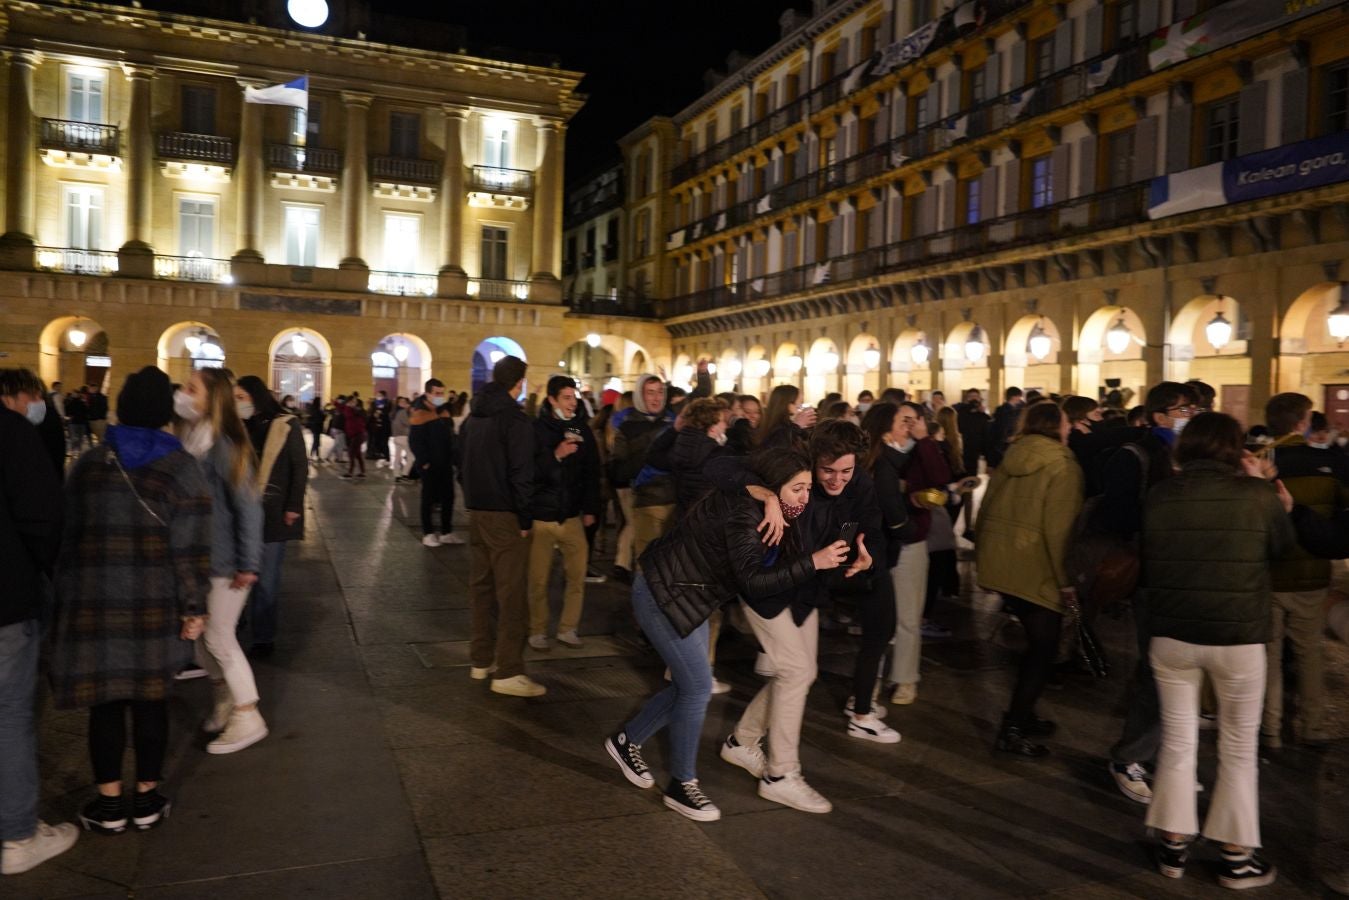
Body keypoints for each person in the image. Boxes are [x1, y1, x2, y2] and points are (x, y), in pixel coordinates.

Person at [603, 448, 850, 822]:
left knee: (687, 685)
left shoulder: (773, 508)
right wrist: (812, 561)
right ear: (774, 486)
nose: (806, 496)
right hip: (663, 593)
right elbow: (753, 581)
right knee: (698, 687)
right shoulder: (744, 513)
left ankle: (626, 741)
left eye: (807, 488)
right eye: (798, 488)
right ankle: (682, 785)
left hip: (694, 596)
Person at [49, 367, 211, 838]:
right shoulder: (183, 469)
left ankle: (108, 803)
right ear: (165, 413)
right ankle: (146, 798)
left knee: (104, 705)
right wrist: (194, 607)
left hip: (92, 602)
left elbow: (67, 536)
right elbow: (192, 549)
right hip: (154, 604)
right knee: (151, 701)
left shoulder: (90, 464)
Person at [1140, 412, 1293, 888]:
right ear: (1235, 450)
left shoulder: (1160, 495)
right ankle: (1235, 856)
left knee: (1179, 740)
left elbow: (1147, 554)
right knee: (1238, 748)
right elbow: (1283, 554)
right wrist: (1274, 500)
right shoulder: (1257, 496)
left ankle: (1173, 845)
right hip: (1239, 637)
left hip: (1172, 635)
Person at [1102, 382, 1198, 803]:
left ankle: (1164, 755)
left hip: (1188, 574)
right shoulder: (1137, 455)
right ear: (1158, 415)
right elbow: (1118, 518)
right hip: (1153, 574)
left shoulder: (1191, 456)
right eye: (1182, 409)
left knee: (1177, 671)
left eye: (1194, 409)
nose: (1189, 415)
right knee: (1160, 670)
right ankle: (1131, 757)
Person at [0, 369, 78, 874]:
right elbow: (44, 517)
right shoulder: (11, 433)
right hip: (6, 598)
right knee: (9, 716)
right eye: (32, 397)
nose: (37, 405)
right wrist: (46, 575)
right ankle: (18, 836)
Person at [975, 400, 1083, 756]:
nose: (1070, 428)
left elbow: (987, 507)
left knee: (1037, 646)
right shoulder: (1064, 466)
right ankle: (1014, 727)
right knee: (1043, 650)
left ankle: (1024, 713)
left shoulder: (1012, 455)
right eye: (1067, 422)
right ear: (1057, 426)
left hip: (1004, 561)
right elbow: (1059, 530)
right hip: (1036, 568)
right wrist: (1066, 581)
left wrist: (984, 556)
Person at [174, 368, 267, 754]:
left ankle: (248, 714)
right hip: (199, 558)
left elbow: (248, 505)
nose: (182, 393)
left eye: (190, 388)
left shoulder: (226, 444)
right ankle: (225, 699)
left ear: (211, 399)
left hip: (224, 559)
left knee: (219, 638)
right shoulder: (193, 439)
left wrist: (249, 561)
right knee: (200, 643)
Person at [1260, 392, 1348, 749]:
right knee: (1309, 649)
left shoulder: (1259, 461)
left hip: (1266, 572)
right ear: (1303, 420)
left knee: (1269, 651)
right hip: (1311, 569)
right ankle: (1313, 724)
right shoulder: (1330, 462)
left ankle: (1270, 726)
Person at [458, 356, 540, 697]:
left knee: (481, 589)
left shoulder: (473, 418)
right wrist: (523, 518)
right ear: (518, 383)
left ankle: (481, 660)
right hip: (505, 515)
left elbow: (459, 464)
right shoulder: (514, 421)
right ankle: (508, 670)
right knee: (511, 595)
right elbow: (522, 473)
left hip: (476, 511)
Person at [234, 375, 307, 659]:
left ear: (255, 397)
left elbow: (299, 467)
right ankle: (235, 624)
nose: (237, 403)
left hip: (273, 511)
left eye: (241, 397)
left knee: (267, 578)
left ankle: (264, 637)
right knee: (238, 572)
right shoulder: (238, 426)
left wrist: (293, 507)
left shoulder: (285, 425)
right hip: (242, 509)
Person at [527, 376, 601, 650]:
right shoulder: (536, 429)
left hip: (571, 515)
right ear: (552, 400)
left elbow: (592, 471)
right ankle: (537, 629)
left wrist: (591, 508)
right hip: (542, 515)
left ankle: (568, 628)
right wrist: (555, 455)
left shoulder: (580, 428)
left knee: (577, 575)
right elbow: (529, 472)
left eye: (574, 397)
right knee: (538, 579)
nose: (573, 403)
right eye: (566, 398)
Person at [608, 375, 674, 583]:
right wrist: (652, 449)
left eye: (660, 392)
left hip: (675, 501)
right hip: (646, 502)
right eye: (650, 392)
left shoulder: (672, 421)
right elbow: (619, 470)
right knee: (647, 567)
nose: (656, 398)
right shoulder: (627, 427)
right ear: (640, 396)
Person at [409, 379, 460, 546]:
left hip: (445, 462)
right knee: (428, 498)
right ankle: (428, 533)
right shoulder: (419, 412)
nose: (440, 396)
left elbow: (450, 435)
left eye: (442, 393)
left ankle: (446, 532)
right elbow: (415, 441)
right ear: (428, 393)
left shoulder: (443, 411)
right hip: (429, 464)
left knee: (448, 497)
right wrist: (424, 461)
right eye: (437, 393)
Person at [753, 384, 815, 450]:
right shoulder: (779, 428)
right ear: (788, 403)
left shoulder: (784, 425)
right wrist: (797, 426)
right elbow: (780, 449)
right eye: (799, 402)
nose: (800, 406)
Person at [985, 386, 1025, 469]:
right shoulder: (1004, 411)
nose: (1020, 399)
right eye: (1019, 397)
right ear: (1014, 397)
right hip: (1004, 446)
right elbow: (1000, 428)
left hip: (1008, 444)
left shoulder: (1009, 410)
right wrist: (1007, 437)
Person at [955, 388, 990, 475]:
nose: (974, 399)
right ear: (966, 399)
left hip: (977, 450)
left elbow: (986, 433)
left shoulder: (983, 415)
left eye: (976, 396)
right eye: (971, 396)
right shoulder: (960, 412)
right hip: (963, 449)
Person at [341, 398, 368, 478]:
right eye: (350, 402)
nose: (351, 403)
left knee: (351, 453)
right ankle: (362, 472)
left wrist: (349, 407)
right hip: (354, 434)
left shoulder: (356, 411)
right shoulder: (351, 410)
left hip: (358, 434)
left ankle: (350, 472)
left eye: (353, 402)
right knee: (358, 454)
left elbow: (349, 415)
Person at [390, 396, 414, 481]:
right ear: (399, 403)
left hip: (396, 437)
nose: (405, 404)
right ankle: (405, 475)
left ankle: (397, 475)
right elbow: (409, 423)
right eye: (403, 402)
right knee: (411, 457)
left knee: (397, 457)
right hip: (404, 437)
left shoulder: (394, 412)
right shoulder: (402, 412)